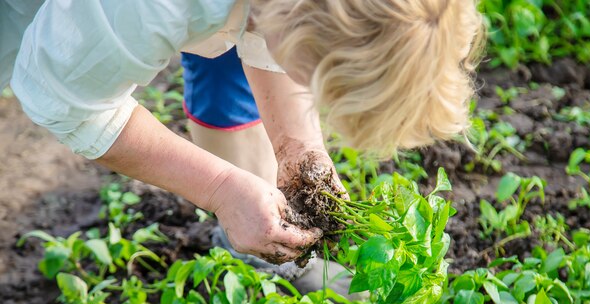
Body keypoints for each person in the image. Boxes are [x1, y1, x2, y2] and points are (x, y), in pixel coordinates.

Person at [1, 0, 483, 266]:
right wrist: (220, 188)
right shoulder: (151, 6)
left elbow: (271, 18)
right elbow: (64, 98)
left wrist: (299, 148)